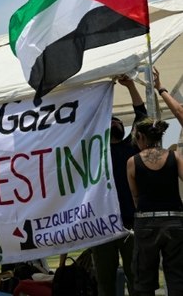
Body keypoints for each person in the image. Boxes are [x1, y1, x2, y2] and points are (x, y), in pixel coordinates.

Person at [91, 75, 146, 296]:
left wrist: (131, 86)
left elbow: (142, 115)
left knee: (136, 278)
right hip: (101, 226)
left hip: (130, 223)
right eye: (111, 121)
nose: (116, 123)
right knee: (104, 281)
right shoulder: (94, 152)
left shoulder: (130, 147)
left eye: (119, 122)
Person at [127, 118, 183, 296]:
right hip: (175, 220)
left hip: (146, 221)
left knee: (144, 279)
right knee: (178, 276)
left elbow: (135, 195)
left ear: (141, 136)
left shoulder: (132, 161)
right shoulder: (175, 156)